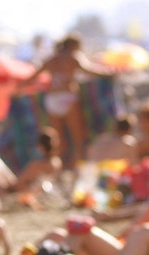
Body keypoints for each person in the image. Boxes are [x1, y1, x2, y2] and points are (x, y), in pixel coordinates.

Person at [21, 34, 114, 165]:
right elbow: (89, 70)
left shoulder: (51, 59)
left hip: (52, 100)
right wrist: (109, 73)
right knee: (78, 139)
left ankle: (59, 169)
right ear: (73, 45)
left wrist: (18, 88)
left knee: (57, 140)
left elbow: (33, 76)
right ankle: (78, 167)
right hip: (68, 98)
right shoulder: (74, 57)